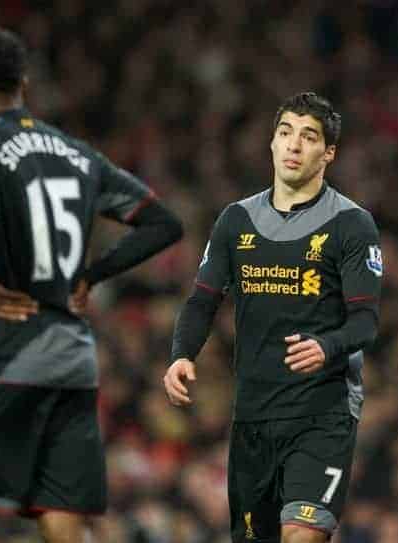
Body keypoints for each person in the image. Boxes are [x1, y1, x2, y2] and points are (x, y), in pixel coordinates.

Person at [0, 26, 183, 543]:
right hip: (72, 358)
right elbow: (163, 223)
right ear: (24, 85)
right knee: (62, 519)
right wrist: (91, 275)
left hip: (5, 345)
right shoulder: (77, 153)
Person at [164, 92, 382, 543]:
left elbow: (366, 321)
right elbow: (203, 300)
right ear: (271, 143)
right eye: (285, 133)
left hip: (322, 414)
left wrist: (328, 345)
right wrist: (182, 354)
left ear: (329, 153)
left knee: (301, 534)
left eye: (308, 137)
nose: (293, 145)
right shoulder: (236, 220)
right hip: (252, 415)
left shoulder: (351, 224)